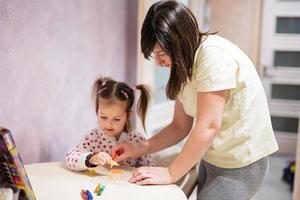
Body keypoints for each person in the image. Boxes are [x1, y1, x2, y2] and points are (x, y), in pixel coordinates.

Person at [111, 1, 279, 199]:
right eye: (154, 55)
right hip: (212, 157)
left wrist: (171, 173)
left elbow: (208, 126)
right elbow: (179, 126)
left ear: (179, 41)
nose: (158, 62)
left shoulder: (213, 56)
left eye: (161, 54)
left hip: (241, 162)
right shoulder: (183, 66)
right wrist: (137, 149)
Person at [65, 77, 154, 171]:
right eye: (103, 117)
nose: (109, 124)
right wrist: (91, 159)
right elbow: (71, 157)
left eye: (116, 119)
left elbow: (150, 166)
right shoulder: (93, 137)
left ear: (128, 116)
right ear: (97, 112)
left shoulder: (137, 139)